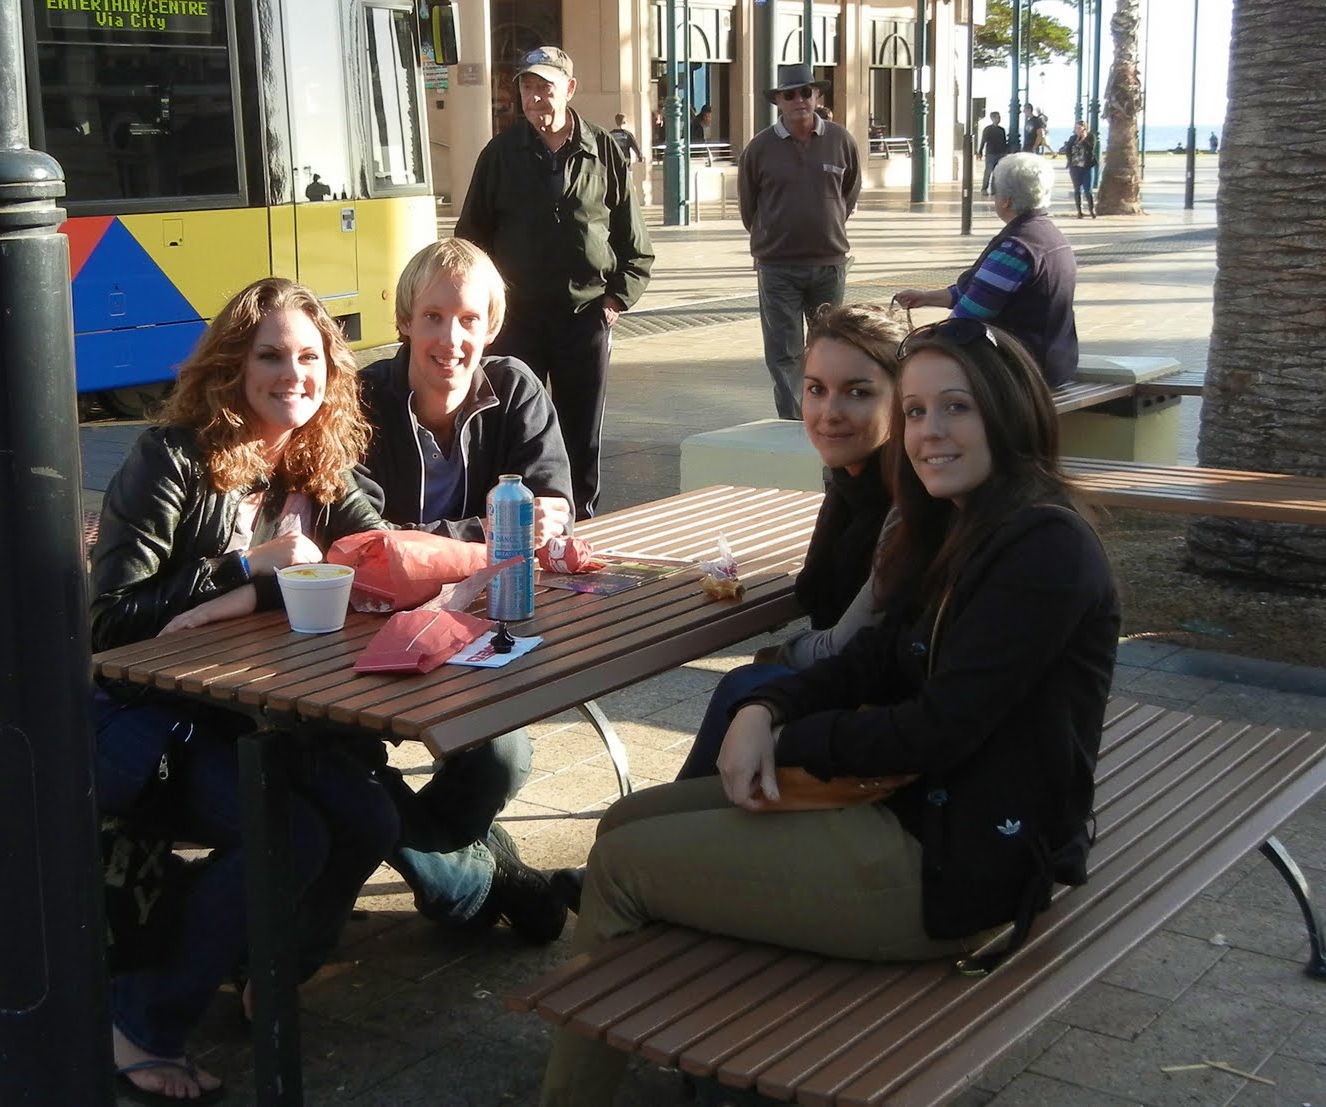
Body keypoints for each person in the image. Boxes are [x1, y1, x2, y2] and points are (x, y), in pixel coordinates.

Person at [538, 319, 1121, 1106]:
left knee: (621, 867)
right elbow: (872, 657)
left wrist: (789, 736)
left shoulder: (1043, 548)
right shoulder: (960, 521)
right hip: (908, 810)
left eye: (956, 407)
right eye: (916, 411)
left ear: (1008, 411)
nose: (929, 431)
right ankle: (692, 1048)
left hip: (957, 868)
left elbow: (937, 729)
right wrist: (765, 705)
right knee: (624, 821)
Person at [90, 277, 401, 1104]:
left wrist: (248, 595)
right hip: (137, 720)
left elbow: (378, 557)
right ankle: (140, 1021)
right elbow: (109, 625)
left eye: (310, 357)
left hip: (240, 713)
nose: (294, 375)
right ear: (233, 365)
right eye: (271, 356)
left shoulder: (316, 458)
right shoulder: (170, 457)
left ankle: (266, 963)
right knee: (288, 835)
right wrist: (243, 568)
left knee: (371, 817)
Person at [548, 303, 907, 911]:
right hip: (849, 684)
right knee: (747, 687)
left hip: (878, 712)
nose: (828, 411)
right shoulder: (854, 477)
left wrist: (780, 658)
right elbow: (822, 597)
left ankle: (659, 858)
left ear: (902, 400)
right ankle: (658, 850)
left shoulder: (902, 503)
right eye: (816, 389)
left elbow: (849, 642)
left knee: (745, 686)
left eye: (858, 392)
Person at [354, 238, 572, 944]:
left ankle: (459, 855)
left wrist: (431, 545)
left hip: (486, 620)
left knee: (502, 754)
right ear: (404, 320)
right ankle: (481, 882)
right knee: (339, 767)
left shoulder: (515, 387)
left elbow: (552, 506)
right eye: (434, 317)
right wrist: (488, 532)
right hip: (370, 630)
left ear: (492, 326)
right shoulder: (361, 398)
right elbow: (369, 544)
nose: (452, 338)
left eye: (470, 319)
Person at [455, 46, 655, 518]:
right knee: (513, 420)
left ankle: (579, 520)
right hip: (516, 318)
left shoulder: (603, 150)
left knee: (581, 430)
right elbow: (470, 240)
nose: (534, 97)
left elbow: (634, 242)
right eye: (527, 87)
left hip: (584, 317)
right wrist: (479, 305)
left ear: (569, 89)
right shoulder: (500, 154)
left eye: (544, 87)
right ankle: (517, 517)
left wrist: (615, 299)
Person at [737, 62, 862, 420]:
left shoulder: (840, 140)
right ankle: (796, 423)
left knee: (829, 348)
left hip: (829, 265)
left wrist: (827, 224)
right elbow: (749, 207)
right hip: (778, 268)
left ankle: (829, 418)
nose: (799, 100)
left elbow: (849, 193)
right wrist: (773, 236)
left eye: (806, 92)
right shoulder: (759, 148)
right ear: (778, 101)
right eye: (790, 95)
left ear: (817, 95)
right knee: (784, 353)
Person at [891, 153, 1079, 387]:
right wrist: (926, 298)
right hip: (1057, 363)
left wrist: (914, 344)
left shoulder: (1016, 249)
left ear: (1006, 201)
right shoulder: (1051, 236)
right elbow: (980, 291)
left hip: (1022, 369)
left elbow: (965, 319)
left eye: (994, 192)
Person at [1061, 121, 1098, 217]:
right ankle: (1079, 211)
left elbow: (1091, 149)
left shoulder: (1091, 137)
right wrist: (1069, 161)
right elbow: (1068, 150)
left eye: (1079, 128)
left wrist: (1084, 139)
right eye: (1076, 128)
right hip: (1075, 167)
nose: (1077, 130)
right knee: (1077, 189)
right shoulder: (1073, 138)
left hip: (1087, 167)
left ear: (1084, 128)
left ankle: (1091, 210)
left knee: (1087, 190)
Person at [979, 110, 1009, 194]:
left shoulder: (1001, 130)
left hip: (1000, 153)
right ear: (992, 118)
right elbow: (983, 141)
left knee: (996, 172)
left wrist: (1005, 152)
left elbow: (1004, 141)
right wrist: (980, 151)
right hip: (990, 153)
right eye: (997, 117)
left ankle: (994, 189)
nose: (999, 119)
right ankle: (984, 188)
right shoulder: (988, 129)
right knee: (988, 171)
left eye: (999, 117)